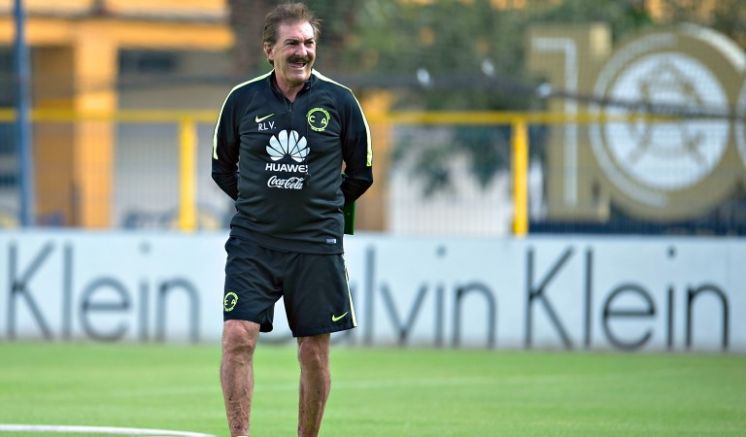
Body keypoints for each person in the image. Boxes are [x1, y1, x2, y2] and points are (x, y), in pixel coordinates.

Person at [211, 3, 373, 436]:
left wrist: (320, 208)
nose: (303, 52)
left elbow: (361, 173)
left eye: (309, 43)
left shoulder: (340, 102)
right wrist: (259, 205)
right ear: (269, 50)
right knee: (237, 336)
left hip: (316, 247)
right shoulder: (242, 100)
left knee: (314, 353)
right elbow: (222, 169)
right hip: (253, 243)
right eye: (292, 43)